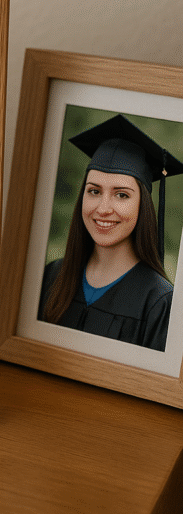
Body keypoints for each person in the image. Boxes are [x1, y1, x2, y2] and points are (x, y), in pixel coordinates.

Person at [38, 114, 183, 352]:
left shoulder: (159, 303)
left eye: (122, 195)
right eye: (94, 191)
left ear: (142, 206)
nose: (103, 209)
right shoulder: (52, 277)